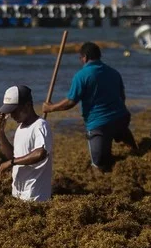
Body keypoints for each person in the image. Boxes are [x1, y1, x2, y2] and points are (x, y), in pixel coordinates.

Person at [43, 41, 138, 173]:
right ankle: (132, 148)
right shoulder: (114, 72)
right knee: (124, 137)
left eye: (80, 58)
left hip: (99, 125)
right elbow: (122, 97)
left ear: (85, 57)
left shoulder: (82, 75)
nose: (81, 61)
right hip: (121, 117)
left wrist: (51, 108)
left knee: (98, 164)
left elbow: (71, 102)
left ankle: (105, 176)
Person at [0, 84, 52, 202]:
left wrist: (11, 163)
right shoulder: (20, 128)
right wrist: (1, 133)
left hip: (35, 195)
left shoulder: (40, 125)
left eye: (14, 111)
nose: (11, 115)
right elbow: (14, 156)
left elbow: (40, 153)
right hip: (18, 193)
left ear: (27, 106)